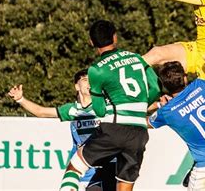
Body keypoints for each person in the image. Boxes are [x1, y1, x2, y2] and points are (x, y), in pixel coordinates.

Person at [59, 20, 161, 191]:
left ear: (91, 42)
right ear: (115, 37)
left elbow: (98, 110)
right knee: (124, 186)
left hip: (114, 128)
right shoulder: (136, 58)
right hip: (139, 132)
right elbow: (156, 87)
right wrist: (138, 105)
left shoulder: (96, 70)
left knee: (75, 166)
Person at [7, 69, 116, 191]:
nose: (89, 83)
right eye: (85, 80)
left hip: (104, 167)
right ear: (76, 86)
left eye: (92, 80)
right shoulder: (71, 110)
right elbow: (41, 112)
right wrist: (20, 99)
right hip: (79, 168)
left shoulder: (105, 107)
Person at [147, 61, 205, 191]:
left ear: (165, 86)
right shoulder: (201, 85)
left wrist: (159, 105)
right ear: (184, 78)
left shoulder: (167, 112)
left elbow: (145, 122)